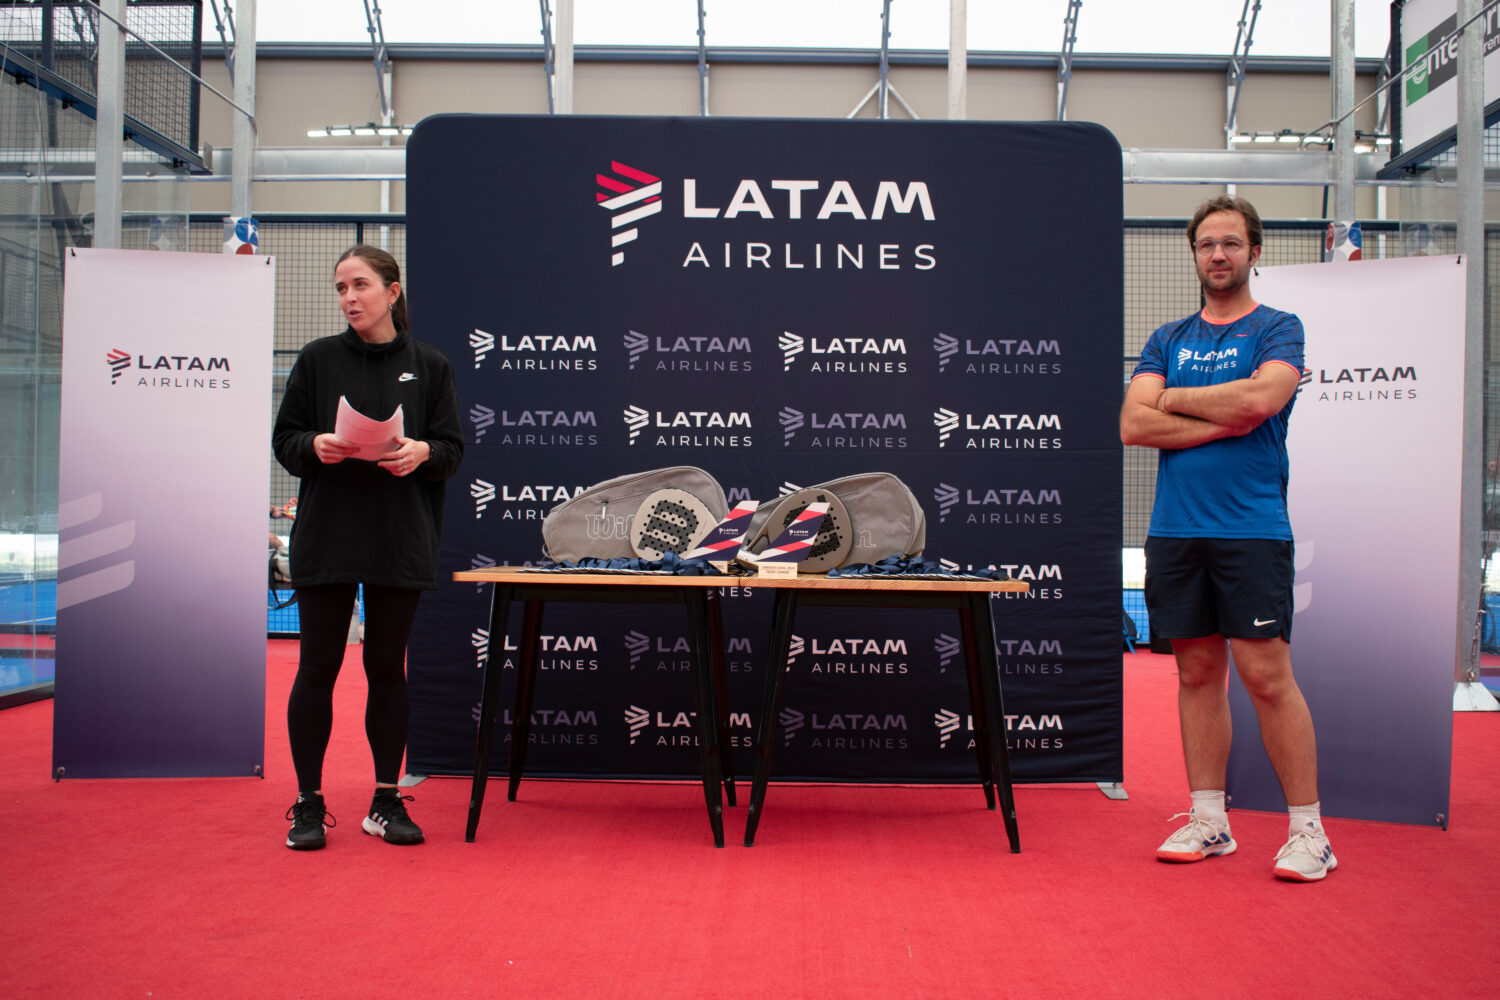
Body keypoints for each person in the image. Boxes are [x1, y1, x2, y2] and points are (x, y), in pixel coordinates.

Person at [1120, 195, 1335, 882]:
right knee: (1196, 675)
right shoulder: (1167, 338)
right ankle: (1210, 820)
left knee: (1267, 678)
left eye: (1231, 244)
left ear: (1254, 252)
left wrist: (1173, 398)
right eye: (1207, 244)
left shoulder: (1278, 327)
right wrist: (1224, 414)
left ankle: (1310, 833)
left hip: (1253, 531)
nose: (1218, 255)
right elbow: (1133, 423)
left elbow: (1261, 400)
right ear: (1194, 254)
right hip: (1175, 531)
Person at [272, 245, 463, 851]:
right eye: (340, 289)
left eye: (359, 285)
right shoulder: (317, 358)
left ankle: (385, 800)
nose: (349, 298)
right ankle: (308, 803)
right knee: (317, 669)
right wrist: (315, 445)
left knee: (386, 668)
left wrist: (422, 452)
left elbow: (452, 451)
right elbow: (285, 440)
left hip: (398, 539)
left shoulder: (430, 365)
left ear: (392, 291)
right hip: (327, 538)